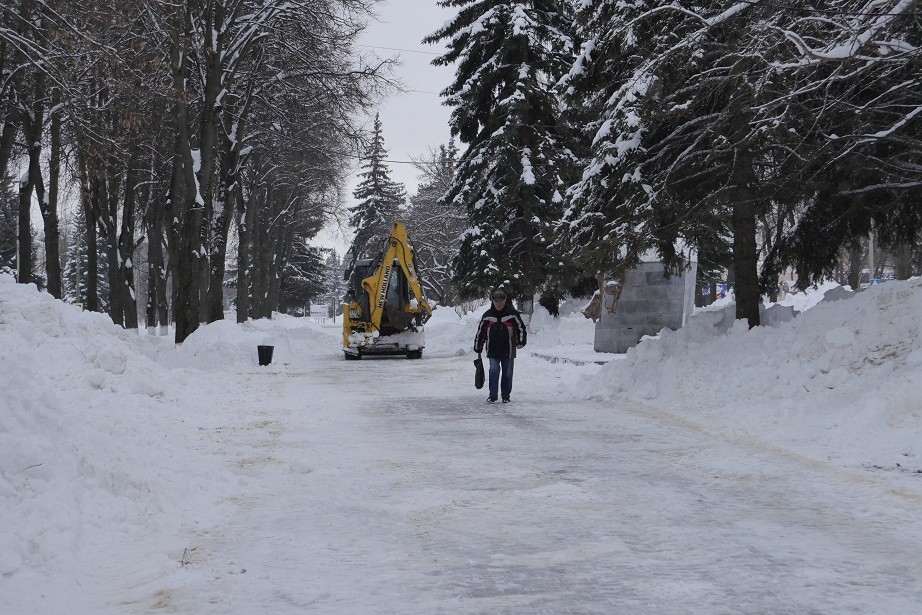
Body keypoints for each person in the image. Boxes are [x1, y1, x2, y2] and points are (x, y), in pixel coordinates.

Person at [474, 289, 527, 403]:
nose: (499, 303)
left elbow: (520, 328)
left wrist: (521, 341)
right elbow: (481, 332)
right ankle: (492, 395)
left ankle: (505, 396)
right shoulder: (487, 316)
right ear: (493, 301)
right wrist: (478, 346)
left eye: (501, 301)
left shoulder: (512, 314)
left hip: (508, 350)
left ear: (505, 301)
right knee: (493, 371)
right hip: (493, 350)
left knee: (507, 374)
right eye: (496, 301)